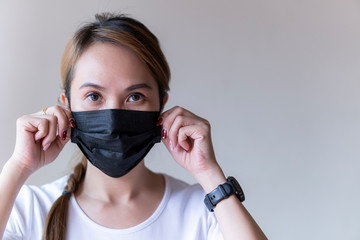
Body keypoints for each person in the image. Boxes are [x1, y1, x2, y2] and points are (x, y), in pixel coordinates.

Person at [0, 13, 267, 240]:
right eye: (94, 96)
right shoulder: (28, 210)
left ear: (161, 106)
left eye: (135, 96)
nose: (113, 119)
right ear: (66, 106)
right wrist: (18, 167)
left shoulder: (203, 210)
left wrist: (210, 175)